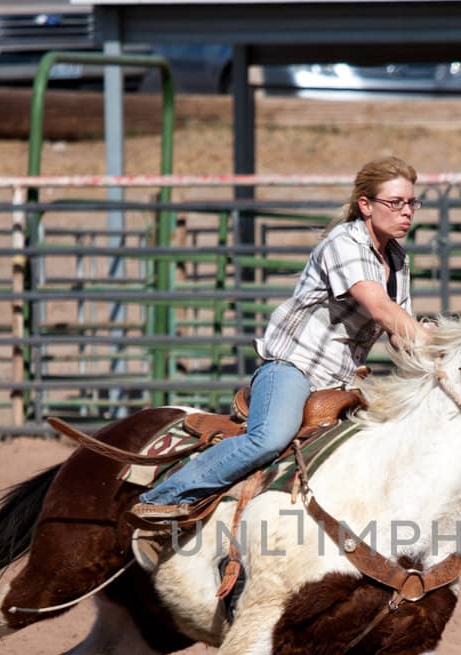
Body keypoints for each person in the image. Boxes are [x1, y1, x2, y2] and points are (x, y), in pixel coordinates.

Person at [131, 155, 426, 522]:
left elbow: (399, 333)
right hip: (294, 368)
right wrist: (437, 342)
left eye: (412, 202)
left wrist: (434, 357)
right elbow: (380, 308)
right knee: (268, 438)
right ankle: (164, 496)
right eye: (395, 202)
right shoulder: (344, 243)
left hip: (341, 379)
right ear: (365, 206)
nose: (407, 211)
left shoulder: (397, 259)